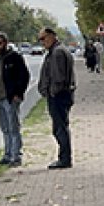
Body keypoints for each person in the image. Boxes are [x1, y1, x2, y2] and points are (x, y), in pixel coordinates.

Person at [0, 33, 30, 167]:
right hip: (0, 97)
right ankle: (7, 154)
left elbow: (24, 76)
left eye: (0, 44)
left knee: (13, 127)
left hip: (11, 97)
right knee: (5, 128)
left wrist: (18, 93)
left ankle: (16, 156)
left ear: (6, 43)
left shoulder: (14, 58)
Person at [37, 27, 76, 169]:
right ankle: (63, 157)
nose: (42, 42)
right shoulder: (55, 51)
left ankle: (64, 159)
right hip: (60, 95)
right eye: (40, 39)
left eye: (44, 38)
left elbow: (58, 77)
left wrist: (52, 92)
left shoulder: (58, 52)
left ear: (52, 36)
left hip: (59, 96)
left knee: (60, 128)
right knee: (59, 127)